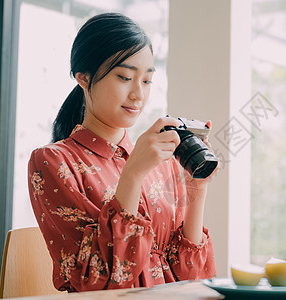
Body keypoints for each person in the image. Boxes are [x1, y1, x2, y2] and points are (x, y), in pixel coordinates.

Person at [27, 12, 216, 292]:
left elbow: (190, 275)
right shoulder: (53, 161)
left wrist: (196, 189)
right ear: (84, 77)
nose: (138, 94)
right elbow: (100, 280)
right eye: (125, 77)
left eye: (147, 81)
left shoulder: (161, 160)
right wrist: (134, 173)